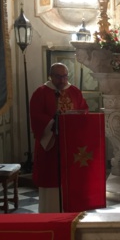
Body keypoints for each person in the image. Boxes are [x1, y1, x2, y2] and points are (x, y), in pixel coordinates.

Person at [30, 63, 88, 212]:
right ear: (50, 76)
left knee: (71, 181)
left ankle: (71, 215)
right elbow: (36, 116)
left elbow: (84, 111)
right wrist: (53, 123)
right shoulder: (41, 93)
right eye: (58, 76)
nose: (62, 80)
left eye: (65, 76)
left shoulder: (74, 92)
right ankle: (49, 213)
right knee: (51, 180)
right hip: (50, 144)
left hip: (71, 145)